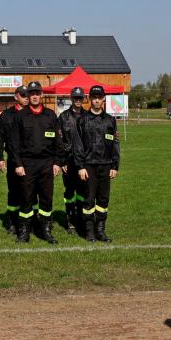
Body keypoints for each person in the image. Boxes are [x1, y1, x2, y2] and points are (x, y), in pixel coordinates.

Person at [9, 81, 65, 244]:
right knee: (26, 198)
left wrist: (57, 162)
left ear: (42, 95)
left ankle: (45, 230)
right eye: (31, 93)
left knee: (46, 198)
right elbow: (14, 143)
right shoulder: (20, 116)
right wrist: (18, 164)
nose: (34, 96)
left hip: (47, 163)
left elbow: (58, 141)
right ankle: (24, 231)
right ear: (28, 96)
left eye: (37, 93)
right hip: (27, 164)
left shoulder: (50, 115)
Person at [73, 85, 119, 242]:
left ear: (104, 99)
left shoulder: (110, 120)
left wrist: (114, 166)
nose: (97, 100)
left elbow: (115, 144)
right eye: (94, 97)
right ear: (90, 99)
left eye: (99, 97)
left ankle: (100, 230)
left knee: (103, 200)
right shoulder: (82, 120)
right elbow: (77, 145)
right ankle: (89, 231)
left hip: (106, 165)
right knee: (88, 199)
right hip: (89, 166)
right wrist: (80, 167)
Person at [0, 85, 29, 234]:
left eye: (27, 95)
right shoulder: (6, 115)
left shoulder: (33, 113)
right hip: (14, 159)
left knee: (31, 192)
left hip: (32, 160)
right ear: (16, 96)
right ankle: (13, 222)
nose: (26, 97)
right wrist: (0, 157)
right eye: (23, 95)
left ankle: (30, 222)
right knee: (14, 191)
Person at [58, 87, 86, 233]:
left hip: (84, 162)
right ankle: (70, 221)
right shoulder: (63, 117)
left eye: (80, 98)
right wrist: (62, 161)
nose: (78, 100)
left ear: (83, 99)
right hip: (68, 161)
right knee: (69, 191)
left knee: (83, 191)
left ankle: (80, 218)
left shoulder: (88, 116)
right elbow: (59, 141)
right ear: (71, 98)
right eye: (75, 98)